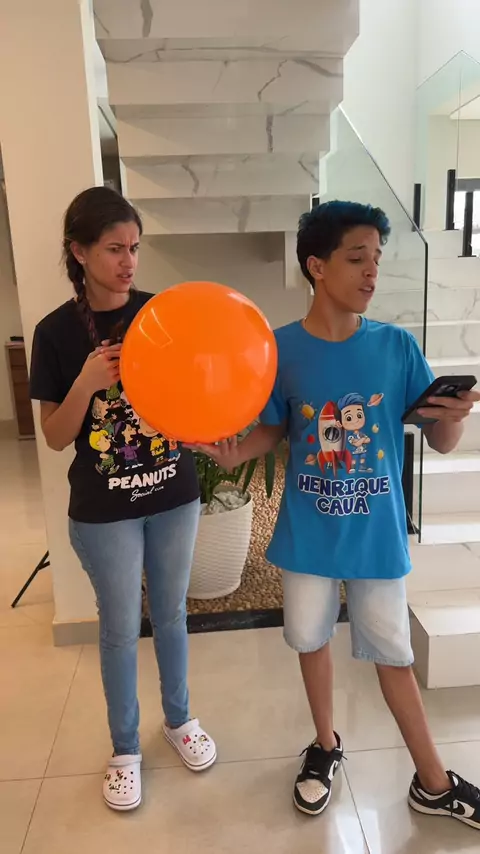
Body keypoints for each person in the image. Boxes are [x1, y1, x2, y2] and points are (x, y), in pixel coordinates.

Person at [197, 201, 480, 829]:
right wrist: (234, 451)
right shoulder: (280, 349)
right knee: (311, 639)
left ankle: (433, 782)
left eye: (377, 258)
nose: (372, 271)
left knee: (393, 653)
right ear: (317, 266)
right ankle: (325, 747)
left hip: (376, 535)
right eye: (357, 258)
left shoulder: (397, 347)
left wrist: (453, 417)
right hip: (309, 533)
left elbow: (439, 440)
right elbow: (274, 429)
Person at [29, 186, 216, 812]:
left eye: (134, 247)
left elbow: (189, 396)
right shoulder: (55, 332)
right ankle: (126, 749)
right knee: (117, 627)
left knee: (171, 614)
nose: (128, 261)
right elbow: (56, 437)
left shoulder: (161, 314)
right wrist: (86, 382)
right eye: (114, 248)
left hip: (174, 493)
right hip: (105, 510)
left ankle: (180, 720)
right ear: (79, 252)